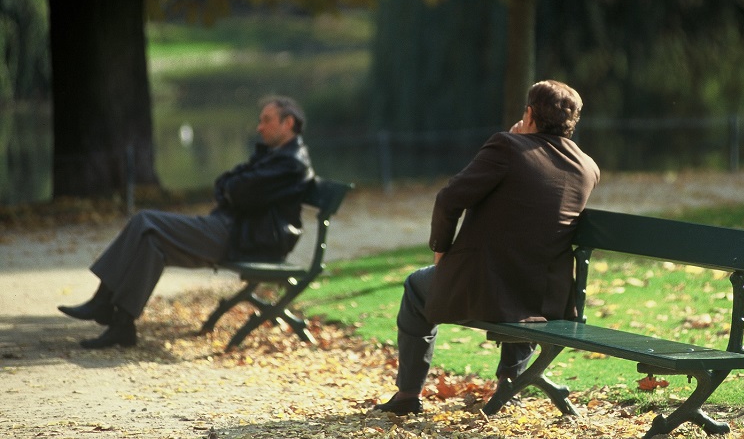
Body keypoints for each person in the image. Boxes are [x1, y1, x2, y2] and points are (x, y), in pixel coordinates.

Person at [372, 80, 600, 415]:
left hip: (485, 289)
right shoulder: (588, 168)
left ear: (529, 113)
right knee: (524, 280)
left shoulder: (507, 146)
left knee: (416, 287)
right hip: (546, 300)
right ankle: (511, 382)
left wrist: (441, 250)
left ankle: (408, 394)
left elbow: (450, 198)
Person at [58, 96, 316, 349]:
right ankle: (122, 326)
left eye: (266, 120)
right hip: (236, 230)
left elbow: (240, 192)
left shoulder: (291, 162)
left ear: (288, 122)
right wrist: (233, 188)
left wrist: (233, 189)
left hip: (248, 239)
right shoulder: (275, 156)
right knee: (151, 243)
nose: (259, 127)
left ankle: (102, 300)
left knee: (145, 219)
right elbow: (227, 183)